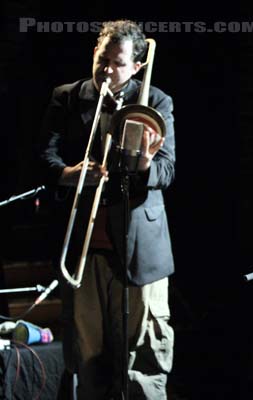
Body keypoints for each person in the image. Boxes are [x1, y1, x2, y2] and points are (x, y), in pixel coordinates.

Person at [37, 20, 175, 400]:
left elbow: (168, 170)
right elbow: (41, 157)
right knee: (88, 355)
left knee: (143, 359)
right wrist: (68, 173)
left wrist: (145, 165)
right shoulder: (67, 96)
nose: (107, 70)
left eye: (117, 63)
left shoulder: (156, 101)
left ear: (137, 67)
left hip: (138, 249)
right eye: (102, 60)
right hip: (86, 246)